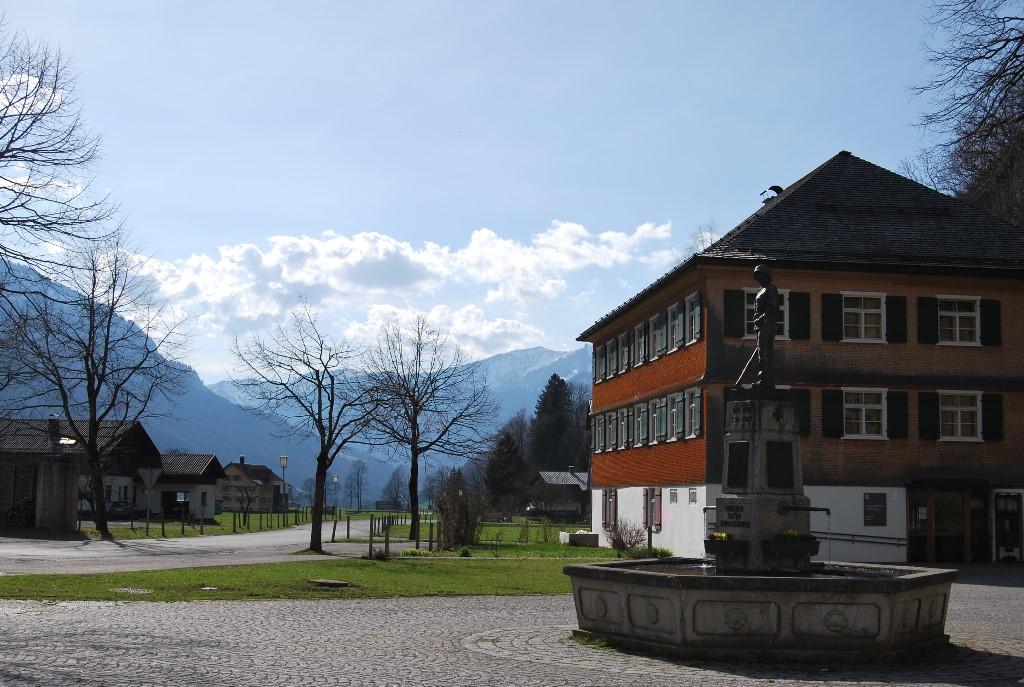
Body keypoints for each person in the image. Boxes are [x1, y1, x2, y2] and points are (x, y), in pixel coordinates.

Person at [736, 264, 777, 388]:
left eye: (760, 275)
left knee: (764, 353)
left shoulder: (771, 289)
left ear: (766, 276)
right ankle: (763, 378)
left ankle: (765, 379)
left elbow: (773, 307)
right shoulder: (760, 291)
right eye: (756, 276)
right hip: (760, 326)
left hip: (767, 325)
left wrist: (761, 318)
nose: (758, 278)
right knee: (761, 353)